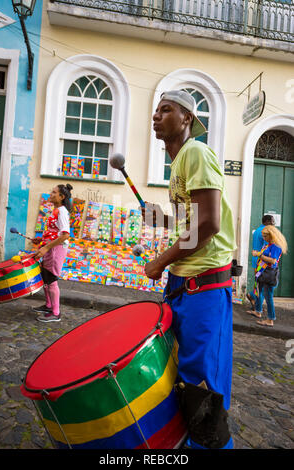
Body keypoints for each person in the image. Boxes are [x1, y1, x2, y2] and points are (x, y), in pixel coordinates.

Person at [142, 90, 237, 449]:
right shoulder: (179, 162)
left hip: (203, 289)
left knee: (203, 389)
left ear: (186, 120)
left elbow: (210, 223)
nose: (156, 115)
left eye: (166, 110)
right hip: (184, 285)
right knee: (183, 377)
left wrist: (160, 260)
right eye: (156, 110)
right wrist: (163, 219)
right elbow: (193, 219)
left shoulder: (195, 151)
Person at [32, 184, 72, 322]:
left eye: (54, 192)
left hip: (56, 249)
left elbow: (65, 235)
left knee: (51, 280)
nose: (51, 194)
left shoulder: (62, 211)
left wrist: (46, 248)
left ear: (62, 197)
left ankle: (56, 313)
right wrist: (41, 240)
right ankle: (49, 306)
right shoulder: (56, 210)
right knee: (45, 278)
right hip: (50, 248)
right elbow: (55, 232)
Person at [249, 225, 287, 327]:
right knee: (258, 292)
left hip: (268, 273)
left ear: (272, 235)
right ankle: (258, 311)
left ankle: (270, 320)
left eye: (265, 236)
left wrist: (259, 255)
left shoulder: (276, 246)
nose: (263, 238)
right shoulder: (269, 244)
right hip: (262, 272)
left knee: (268, 296)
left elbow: (273, 261)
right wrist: (258, 253)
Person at [246, 214, 275, 313]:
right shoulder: (266, 233)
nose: (274, 223)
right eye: (272, 221)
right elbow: (267, 249)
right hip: (262, 263)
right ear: (267, 222)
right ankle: (256, 304)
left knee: (259, 284)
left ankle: (254, 299)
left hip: (256, 262)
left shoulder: (257, 231)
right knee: (261, 287)